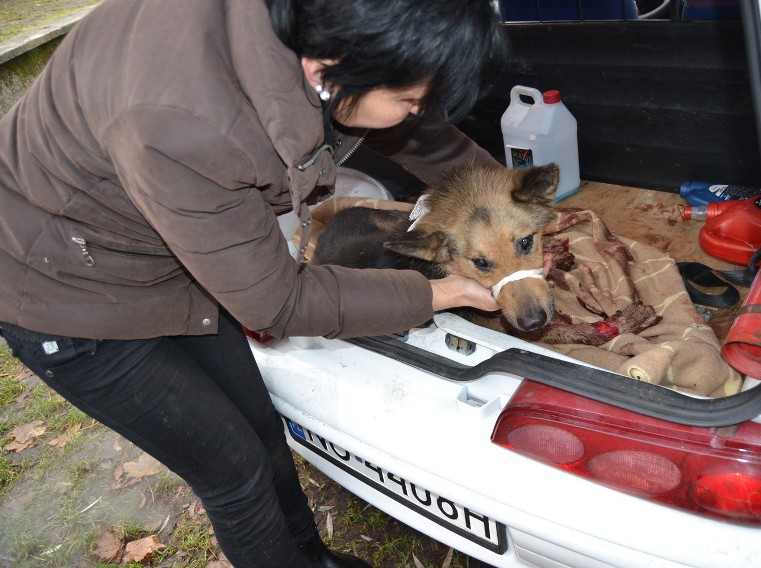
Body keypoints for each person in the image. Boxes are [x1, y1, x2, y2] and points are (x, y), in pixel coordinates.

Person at [0, 0, 509, 566]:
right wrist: (440, 293)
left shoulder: (318, 37)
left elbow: (417, 134)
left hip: (169, 242)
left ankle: (308, 558)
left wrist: (504, 200)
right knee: (234, 472)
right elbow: (280, 301)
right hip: (63, 288)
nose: (418, 112)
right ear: (329, 66)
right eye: (411, 100)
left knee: (262, 430)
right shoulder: (184, 123)